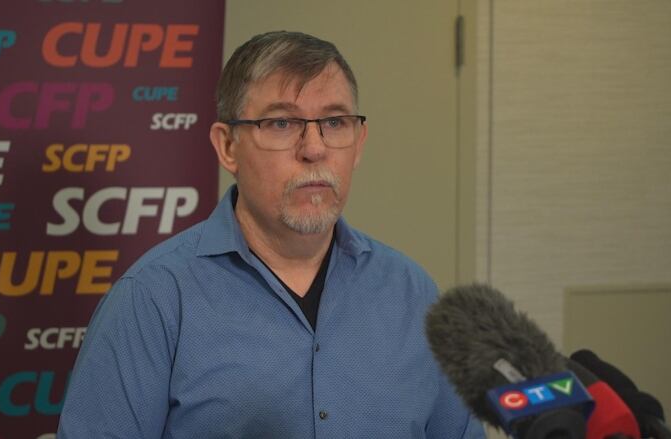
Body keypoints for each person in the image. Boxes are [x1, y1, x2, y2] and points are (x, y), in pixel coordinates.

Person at [57, 31, 484, 438]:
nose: (314, 148)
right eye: (282, 123)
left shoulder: (413, 294)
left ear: (359, 142)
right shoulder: (153, 300)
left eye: (334, 122)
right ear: (227, 147)